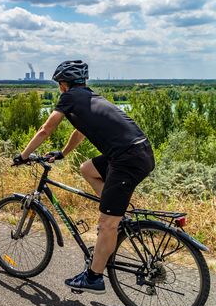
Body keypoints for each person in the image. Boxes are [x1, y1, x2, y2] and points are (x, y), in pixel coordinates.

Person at [13, 60, 155, 294]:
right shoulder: (89, 98)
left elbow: (45, 129)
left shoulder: (69, 98)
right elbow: (80, 132)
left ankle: (94, 277)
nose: (60, 88)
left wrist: (24, 155)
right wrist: (62, 153)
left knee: (106, 223)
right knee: (87, 168)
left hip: (126, 159)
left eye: (59, 84)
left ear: (63, 85)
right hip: (139, 152)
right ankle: (116, 214)